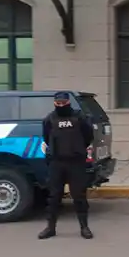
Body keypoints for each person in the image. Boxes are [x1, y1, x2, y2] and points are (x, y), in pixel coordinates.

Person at [39, 92, 94, 240]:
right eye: (58, 103)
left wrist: (77, 149)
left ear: (68, 102)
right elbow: (47, 138)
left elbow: (88, 136)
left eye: (64, 102)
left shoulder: (80, 117)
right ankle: (50, 228)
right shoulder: (49, 119)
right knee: (54, 196)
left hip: (76, 162)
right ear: (55, 103)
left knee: (79, 196)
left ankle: (84, 227)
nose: (61, 105)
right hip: (57, 162)